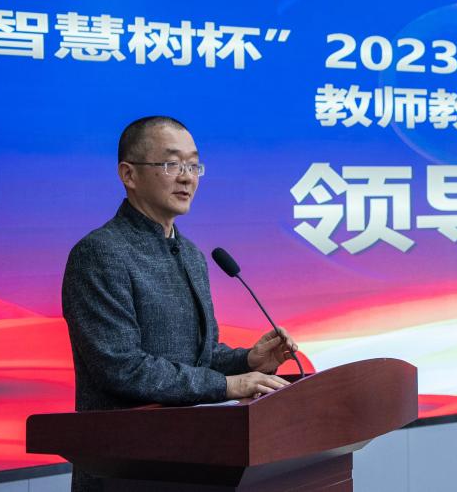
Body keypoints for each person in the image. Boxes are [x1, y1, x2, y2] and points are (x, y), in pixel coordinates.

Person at [61, 116, 298, 492]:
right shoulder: (100, 254)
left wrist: (247, 362)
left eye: (193, 165)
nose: (187, 178)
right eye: (172, 164)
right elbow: (122, 368)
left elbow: (199, 357)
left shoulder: (191, 255)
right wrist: (226, 385)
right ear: (129, 174)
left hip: (196, 459)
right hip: (126, 469)